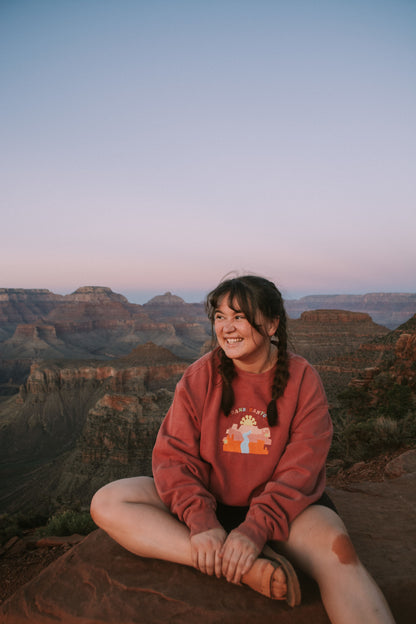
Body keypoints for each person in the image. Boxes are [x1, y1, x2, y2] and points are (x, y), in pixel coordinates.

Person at [91, 274, 396, 623]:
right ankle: (237, 566)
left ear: (271, 324)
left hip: (284, 511)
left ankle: (238, 553)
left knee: (339, 554)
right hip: (211, 503)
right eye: (220, 317)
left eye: (239, 316)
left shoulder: (302, 378)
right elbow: (174, 458)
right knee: (108, 501)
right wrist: (202, 523)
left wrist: (255, 530)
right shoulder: (199, 376)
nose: (227, 328)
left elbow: (302, 469)